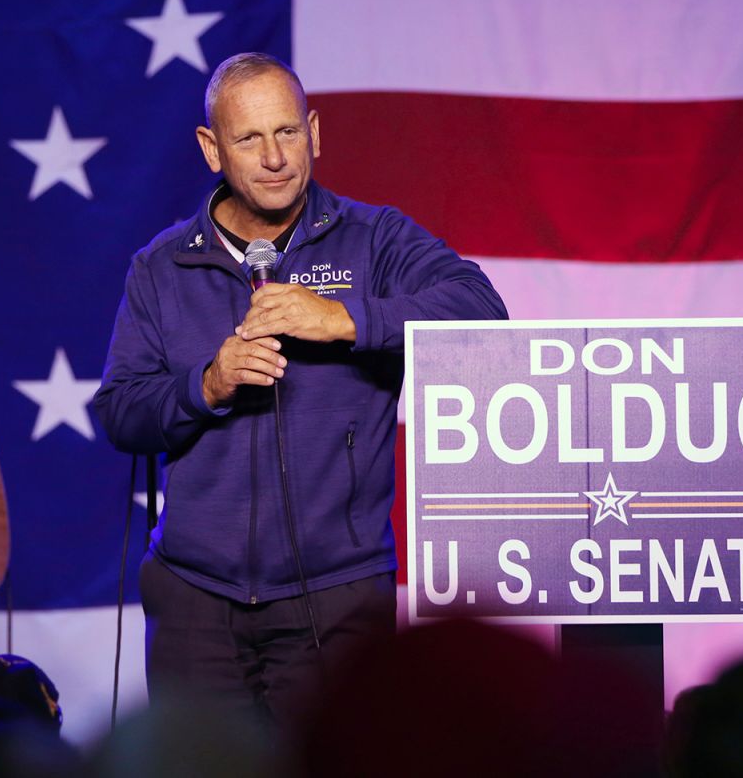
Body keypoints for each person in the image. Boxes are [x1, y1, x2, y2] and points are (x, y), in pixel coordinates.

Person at [93, 53, 507, 723]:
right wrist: (207, 384)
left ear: (314, 133)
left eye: (287, 132)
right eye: (249, 138)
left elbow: (482, 310)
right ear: (211, 149)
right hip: (196, 600)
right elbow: (121, 413)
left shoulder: (373, 240)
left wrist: (345, 319)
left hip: (338, 596)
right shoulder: (162, 267)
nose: (274, 156)